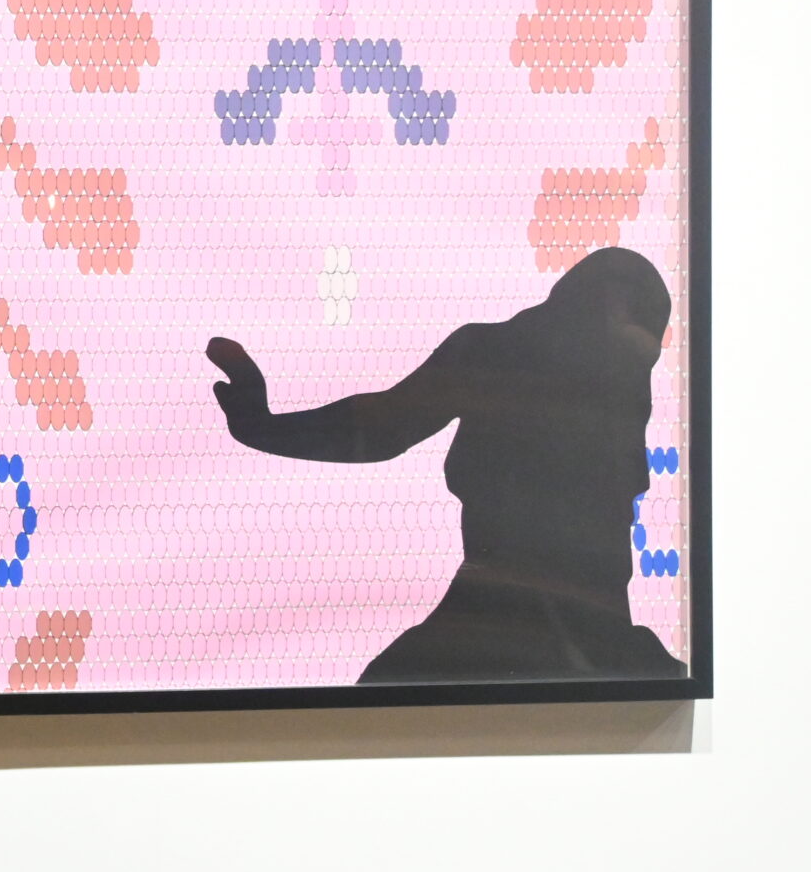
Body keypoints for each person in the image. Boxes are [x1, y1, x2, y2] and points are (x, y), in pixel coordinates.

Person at [206, 246, 686, 684]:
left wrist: (263, 428)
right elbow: (381, 428)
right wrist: (264, 428)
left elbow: (382, 428)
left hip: (539, 617)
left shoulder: (559, 368)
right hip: (528, 614)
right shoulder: (529, 361)